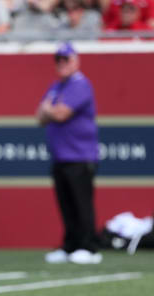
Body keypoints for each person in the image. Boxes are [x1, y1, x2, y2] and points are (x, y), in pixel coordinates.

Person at [37, 42, 101, 265]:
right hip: (61, 156)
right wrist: (49, 111)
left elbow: (61, 113)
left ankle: (89, 247)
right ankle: (71, 245)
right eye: (59, 60)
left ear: (76, 61)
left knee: (82, 204)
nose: (62, 64)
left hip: (80, 156)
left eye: (66, 59)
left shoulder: (80, 84)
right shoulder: (57, 86)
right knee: (66, 206)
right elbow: (40, 116)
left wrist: (50, 109)